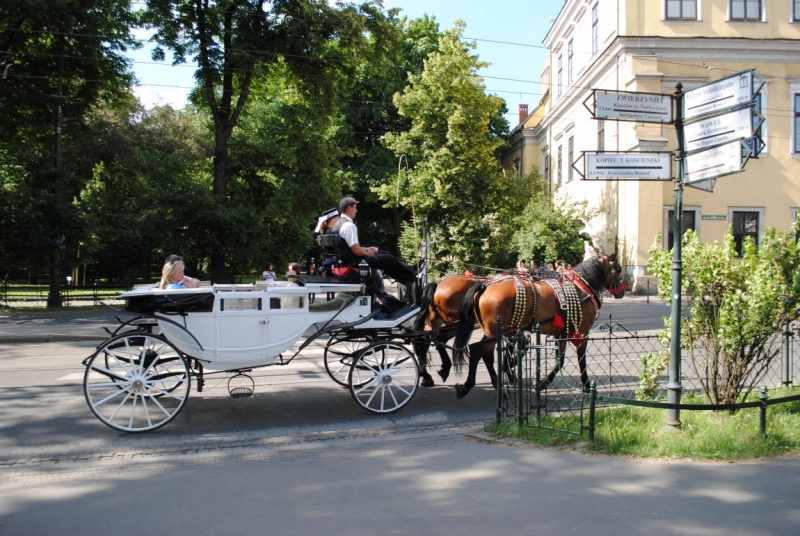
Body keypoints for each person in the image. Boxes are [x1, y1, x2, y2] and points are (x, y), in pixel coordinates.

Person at [332, 197, 417, 285]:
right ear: (349, 208)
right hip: (353, 263)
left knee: (382, 254)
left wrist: (367, 249)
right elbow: (356, 251)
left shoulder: (338, 224)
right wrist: (368, 253)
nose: (356, 210)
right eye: (355, 207)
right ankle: (411, 274)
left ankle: (409, 271)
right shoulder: (349, 225)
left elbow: (348, 247)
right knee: (388, 258)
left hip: (345, 261)